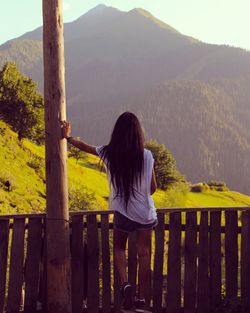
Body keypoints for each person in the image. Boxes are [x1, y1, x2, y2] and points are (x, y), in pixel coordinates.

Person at [61, 112, 157, 312]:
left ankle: (125, 283)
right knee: (144, 253)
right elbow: (153, 188)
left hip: (122, 212)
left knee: (120, 248)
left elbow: (85, 147)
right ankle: (141, 297)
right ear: (138, 133)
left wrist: (68, 136)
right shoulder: (147, 156)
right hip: (145, 213)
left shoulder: (108, 152)